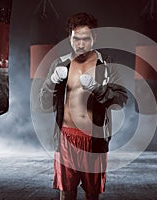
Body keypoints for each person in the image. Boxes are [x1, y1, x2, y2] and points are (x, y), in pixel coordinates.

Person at [39, 12, 128, 200]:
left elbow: (121, 100)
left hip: (94, 138)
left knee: (92, 193)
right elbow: (44, 104)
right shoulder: (60, 64)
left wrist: (98, 89)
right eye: (76, 39)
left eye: (85, 39)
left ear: (94, 38)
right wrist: (52, 81)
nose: (80, 44)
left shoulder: (107, 64)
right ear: (70, 38)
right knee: (66, 192)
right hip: (66, 137)